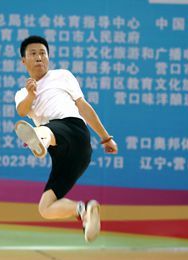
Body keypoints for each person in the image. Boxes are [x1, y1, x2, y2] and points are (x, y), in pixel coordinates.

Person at [13, 35, 118, 242]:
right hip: (66, 155)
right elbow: (22, 111)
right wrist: (31, 95)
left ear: (48, 57)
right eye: (33, 54)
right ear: (24, 61)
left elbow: (83, 107)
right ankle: (84, 211)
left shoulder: (62, 76)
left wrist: (106, 138)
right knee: (45, 208)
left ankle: (38, 140)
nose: (39, 58)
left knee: (45, 130)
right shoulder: (22, 94)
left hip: (74, 131)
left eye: (43, 53)